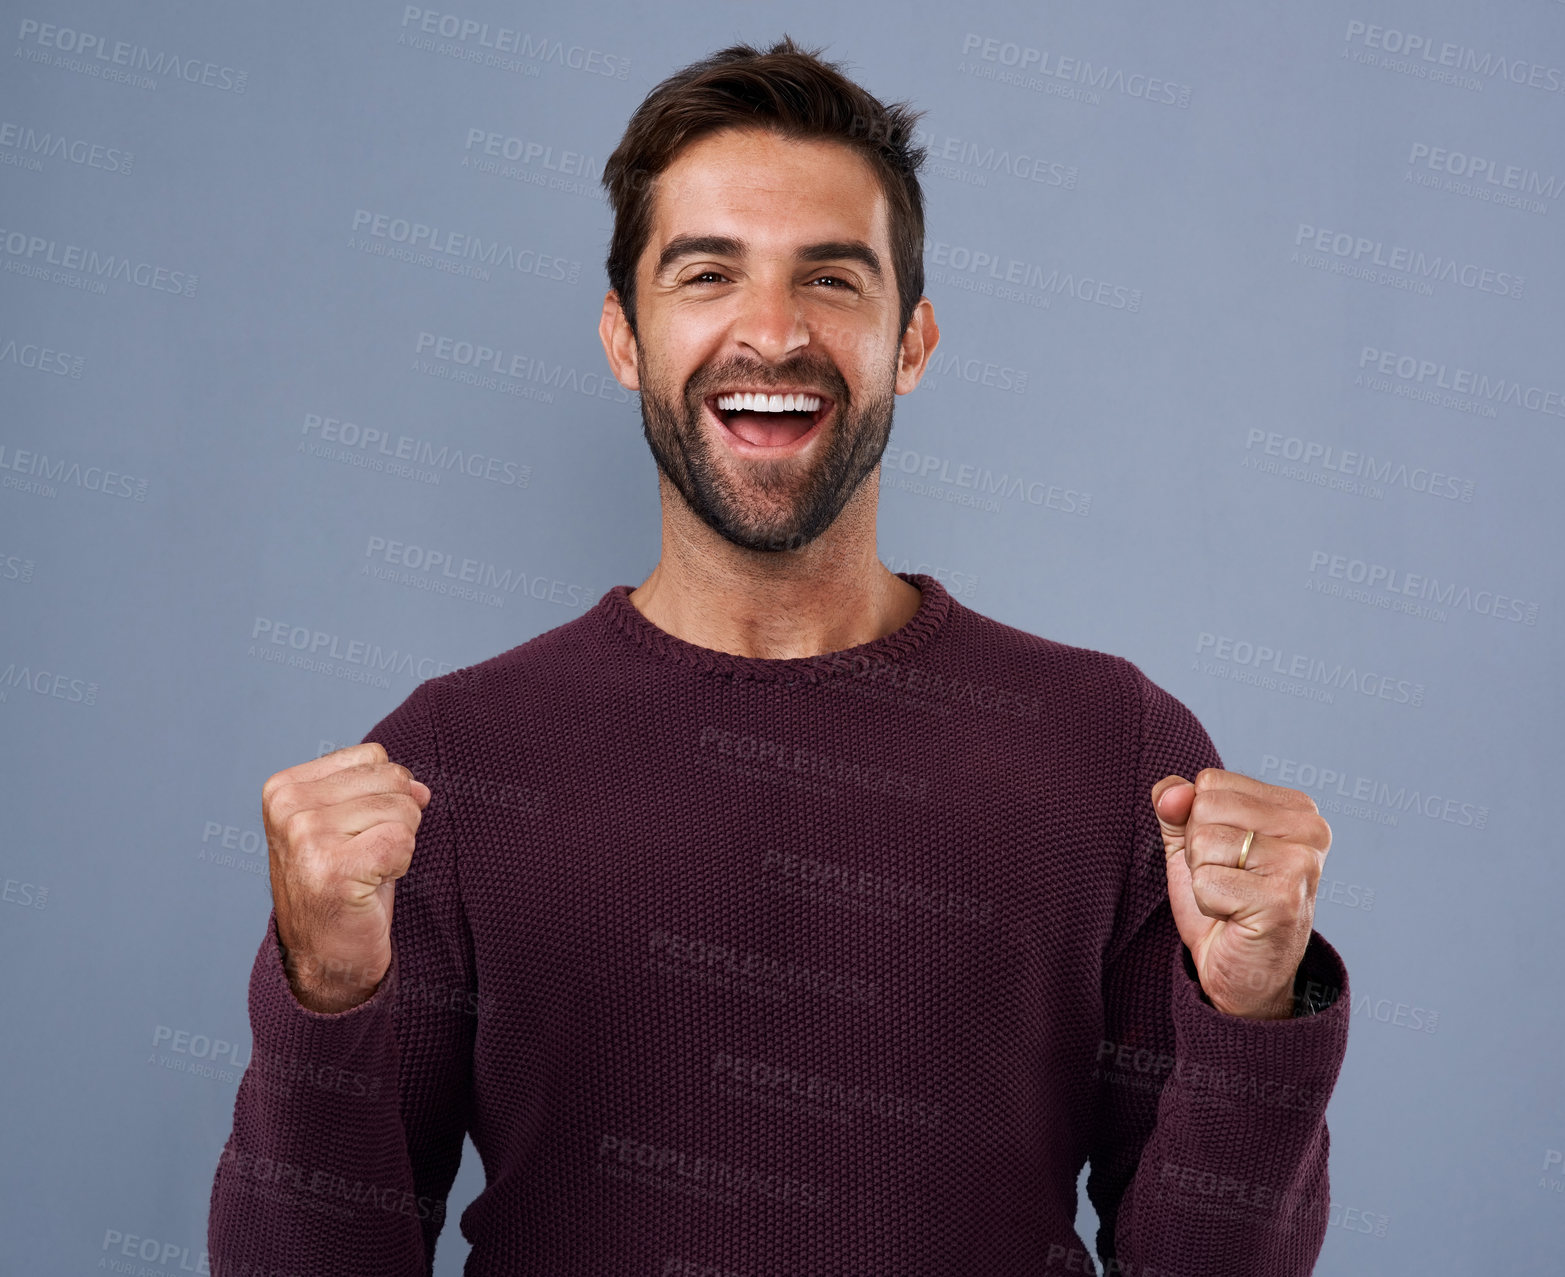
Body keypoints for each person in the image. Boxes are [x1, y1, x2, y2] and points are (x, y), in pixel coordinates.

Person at [208, 34, 1348, 1276]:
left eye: (831, 279)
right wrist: (321, 988)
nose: (770, 330)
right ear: (622, 339)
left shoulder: (1115, 752)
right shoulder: (448, 765)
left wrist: (1251, 1013)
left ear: (908, 344)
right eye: (706, 274)